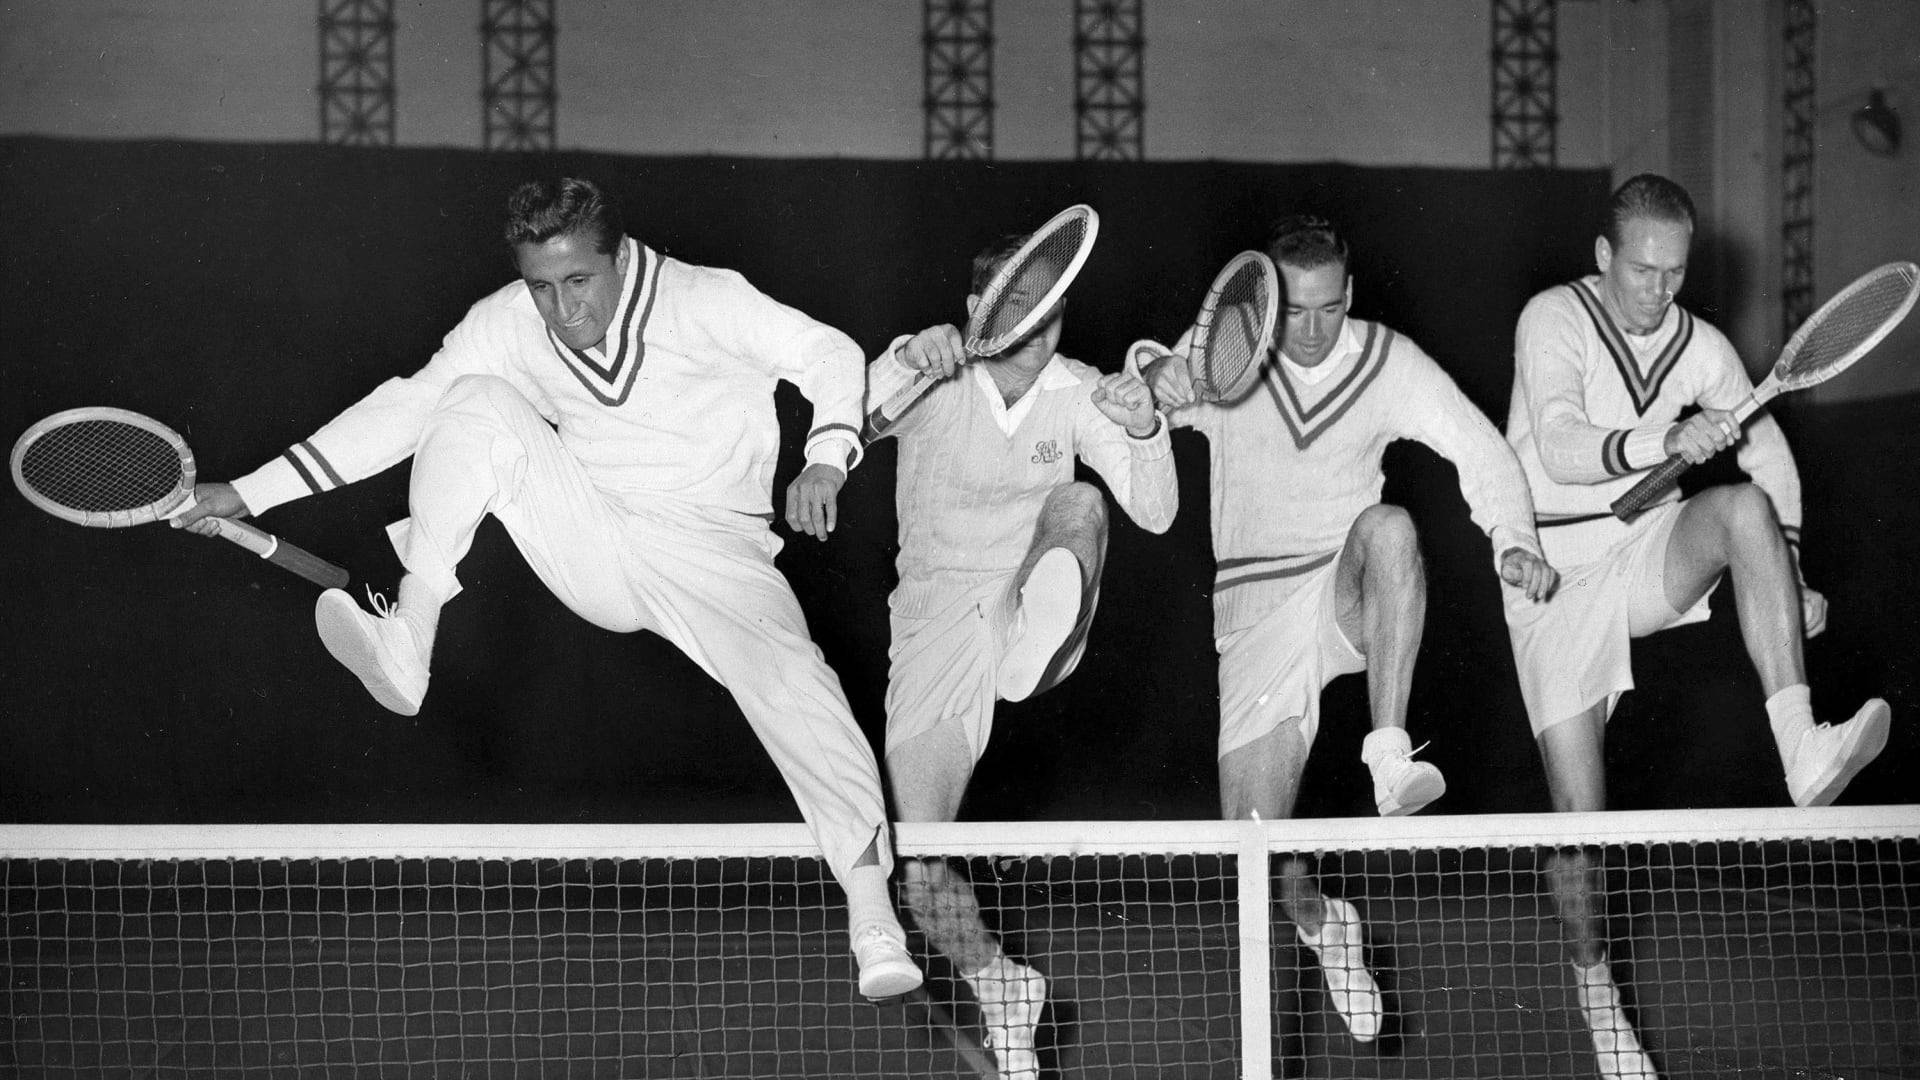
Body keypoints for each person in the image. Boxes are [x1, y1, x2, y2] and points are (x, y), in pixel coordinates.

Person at [174, 176, 925, 1002]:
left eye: (579, 283)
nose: (563, 311)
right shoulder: (507, 323)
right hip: (594, 532)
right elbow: (407, 410)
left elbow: (828, 354)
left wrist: (826, 455)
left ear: (622, 258)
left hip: (716, 551)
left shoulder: (706, 301)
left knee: (794, 683)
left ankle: (870, 916)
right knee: (469, 401)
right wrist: (249, 490)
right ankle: (409, 636)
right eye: (542, 288)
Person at [1503, 172, 1891, 1079]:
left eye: (1674, 273)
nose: (1658, 291)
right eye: (1642, 270)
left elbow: (1767, 450)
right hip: (1553, 577)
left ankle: (1802, 747)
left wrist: (1790, 572)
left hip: (1639, 554)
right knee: (1580, 828)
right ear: (1605, 257)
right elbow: (1559, 442)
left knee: (1746, 509)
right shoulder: (1550, 320)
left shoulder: (1702, 345)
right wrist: (1667, 443)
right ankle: (1597, 993)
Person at [1141, 215, 1557, 1043]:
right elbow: (1155, 385)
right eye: (1293, 311)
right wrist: (1151, 383)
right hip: (1254, 613)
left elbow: (1481, 448)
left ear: (1350, 294)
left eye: (1328, 309)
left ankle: (1389, 753)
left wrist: (1514, 540)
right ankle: (1325, 923)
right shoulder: (1231, 341)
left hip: (1342, 585)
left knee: (1392, 526)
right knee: (1253, 862)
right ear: (1269, 302)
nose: (1310, 329)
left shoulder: (1386, 360)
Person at [862, 231, 1178, 1080]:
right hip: (933, 626)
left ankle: (1038, 648)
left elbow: (1153, 513)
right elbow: (860, 417)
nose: (1040, 332)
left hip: (1030, 594)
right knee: (923, 873)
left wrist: (1144, 426)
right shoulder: (936, 372)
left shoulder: (1077, 391)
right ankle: (1003, 986)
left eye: (1054, 312)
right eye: (1019, 313)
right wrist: (905, 360)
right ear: (979, 311)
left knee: (1079, 499)